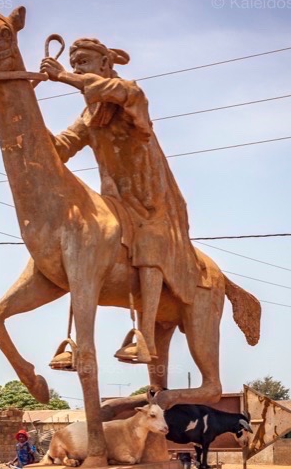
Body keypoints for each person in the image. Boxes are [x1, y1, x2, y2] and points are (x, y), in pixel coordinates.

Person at [40, 38, 203, 363]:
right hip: (113, 199)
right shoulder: (90, 115)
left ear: (104, 63)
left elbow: (105, 89)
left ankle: (145, 338)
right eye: (75, 63)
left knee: (151, 240)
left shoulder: (130, 94)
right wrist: (27, 114)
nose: (78, 67)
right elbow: (61, 149)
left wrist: (62, 78)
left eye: (84, 61)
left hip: (150, 200)